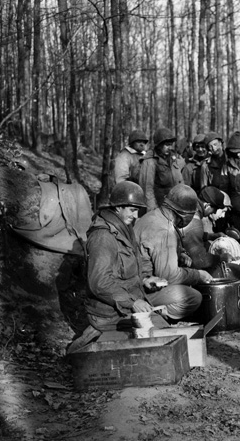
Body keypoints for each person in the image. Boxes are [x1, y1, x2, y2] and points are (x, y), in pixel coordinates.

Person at [69, 182, 198, 353]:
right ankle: (91, 339)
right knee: (160, 345)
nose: (136, 215)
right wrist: (133, 302)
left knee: (167, 337)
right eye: (132, 210)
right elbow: (99, 282)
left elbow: (125, 270)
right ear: (118, 207)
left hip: (126, 306)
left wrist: (145, 279)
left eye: (138, 210)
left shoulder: (124, 229)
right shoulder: (103, 237)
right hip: (109, 314)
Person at [133, 184, 214, 321]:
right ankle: (152, 315)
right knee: (193, 297)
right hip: (141, 289)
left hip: (136, 280)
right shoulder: (164, 230)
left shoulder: (153, 216)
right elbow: (169, 276)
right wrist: (198, 275)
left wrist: (178, 255)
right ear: (185, 214)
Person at [139, 126, 185, 210]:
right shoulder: (150, 161)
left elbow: (179, 182)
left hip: (175, 206)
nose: (170, 148)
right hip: (159, 207)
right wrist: (153, 212)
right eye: (167, 145)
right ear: (159, 145)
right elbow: (147, 190)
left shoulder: (173, 159)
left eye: (171, 145)